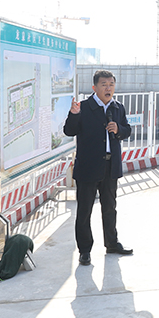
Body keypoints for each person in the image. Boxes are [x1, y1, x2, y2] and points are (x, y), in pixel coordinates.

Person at [64, 70, 133, 265]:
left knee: (110, 207)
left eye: (111, 84)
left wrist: (119, 129)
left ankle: (112, 243)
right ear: (94, 87)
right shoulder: (84, 107)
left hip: (110, 166)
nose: (108, 88)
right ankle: (85, 250)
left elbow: (127, 129)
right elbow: (69, 130)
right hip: (88, 167)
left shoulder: (118, 107)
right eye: (104, 84)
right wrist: (73, 115)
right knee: (84, 211)